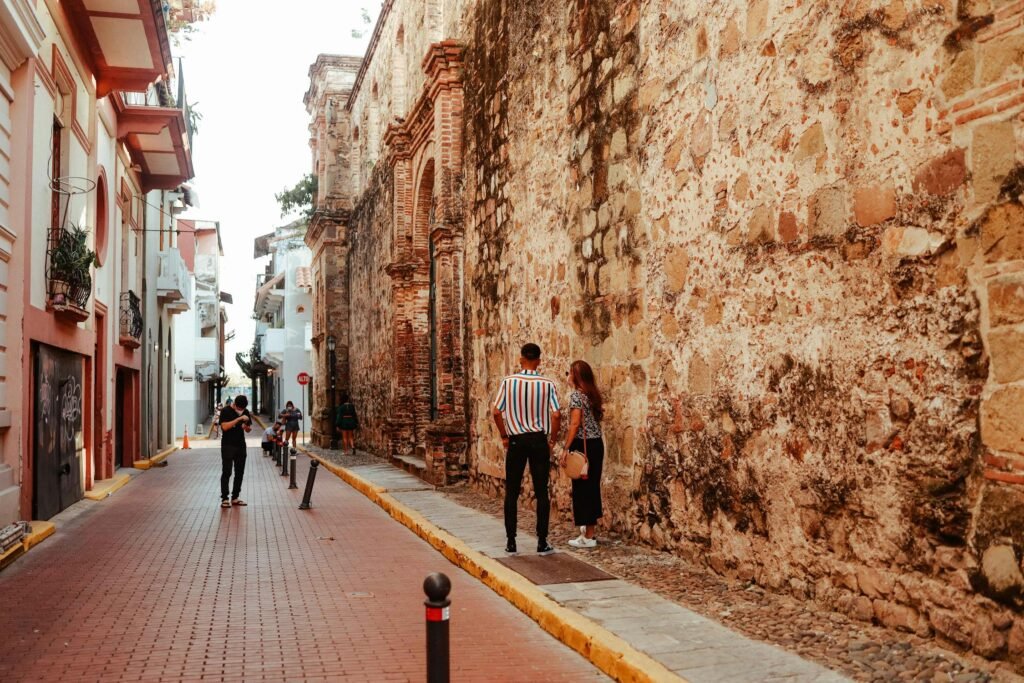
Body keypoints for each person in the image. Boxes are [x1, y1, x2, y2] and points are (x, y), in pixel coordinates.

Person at [492, 343, 561, 556]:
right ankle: (542, 541)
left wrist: (504, 436)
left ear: (521, 358)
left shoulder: (509, 382)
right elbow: (556, 414)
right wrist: (552, 440)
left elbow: (496, 412)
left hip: (516, 441)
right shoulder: (547, 384)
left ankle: (511, 541)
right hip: (538, 439)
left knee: (511, 491)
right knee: (542, 491)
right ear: (539, 360)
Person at [561, 360, 605, 548]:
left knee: (582, 489)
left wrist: (565, 447)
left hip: (582, 446)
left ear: (575, 376)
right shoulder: (592, 395)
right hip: (596, 445)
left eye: (569, 373)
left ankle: (588, 536)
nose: (568, 377)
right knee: (592, 487)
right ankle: (589, 532)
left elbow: (575, 424)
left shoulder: (576, 397)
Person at [219, 395, 252, 508]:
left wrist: (246, 427)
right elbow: (224, 427)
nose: (240, 410)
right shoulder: (225, 411)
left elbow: (248, 429)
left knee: (240, 472)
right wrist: (238, 419)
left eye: (242, 409)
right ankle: (224, 498)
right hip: (228, 445)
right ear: (234, 404)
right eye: (239, 408)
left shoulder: (246, 411)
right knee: (227, 472)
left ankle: (235, 497)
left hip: (241, 445)